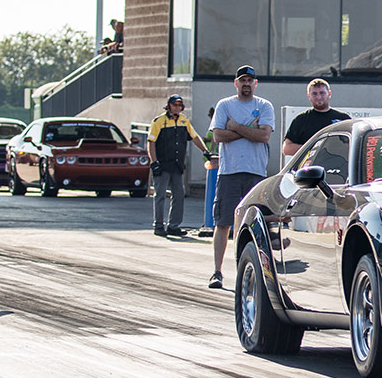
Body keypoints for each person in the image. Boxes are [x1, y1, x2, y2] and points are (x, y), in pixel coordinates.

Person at [208, 65, 275, 289]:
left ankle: (247, 272)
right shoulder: (224, 105)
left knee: (253, 224)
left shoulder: (264, 105)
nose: (246, 84)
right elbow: (217, 135)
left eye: (250, 81)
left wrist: (235, 127)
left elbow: (264, 136)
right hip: (229, 172)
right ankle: (217, 272)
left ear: (255, 84)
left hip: (256, 172)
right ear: (235, 83)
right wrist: (248, 130)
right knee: (224, 222)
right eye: (242, 80)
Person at [147, 94, 211, 237]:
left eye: (180, 105)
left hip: (177, 165)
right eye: (175, 105)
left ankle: (173, 226)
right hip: (162, 165)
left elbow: (194, 137)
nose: (177, 108)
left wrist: (205, 151)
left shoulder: (184, 121)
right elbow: (151, 142)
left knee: (179, 195)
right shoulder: (158, 121)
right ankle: (158, 226)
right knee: (160, 195)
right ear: (169, 106)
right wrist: (154, 161)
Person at [282, 79, 350, 156]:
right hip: (309, 166)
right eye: (314, 94)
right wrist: (313, 148)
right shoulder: (301, 119)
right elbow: (287, 149)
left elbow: (352, 146)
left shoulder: (343, 119)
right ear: (309, 96)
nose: (318, 97)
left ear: (329, 94)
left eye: (322, 93)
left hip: (337, 165)